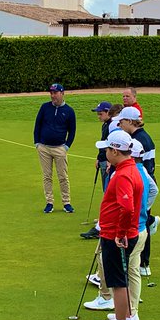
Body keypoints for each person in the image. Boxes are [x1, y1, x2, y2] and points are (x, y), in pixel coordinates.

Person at [92, 130, 144, 320]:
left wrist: (120, 233)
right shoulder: (129, 168)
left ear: (115, 150)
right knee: (120, 278)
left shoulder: (123, 174)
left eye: (106, 148)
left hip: (117, 234)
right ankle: (126, 318)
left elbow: (127, 208)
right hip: (120, 232)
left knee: (117, 281)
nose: (104, 151)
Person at [115, 107, 157, 274]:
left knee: (141, 225)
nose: (120, 124)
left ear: (130, 122)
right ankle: (141, 263)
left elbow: (144, 167)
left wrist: (145, 204)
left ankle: (143, 263)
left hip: (140, 184)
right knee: (142, 224)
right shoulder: (141, 137)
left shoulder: (138, 140)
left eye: (122, 121)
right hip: (143, 183)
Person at [33, 83, 76, 213]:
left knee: (63, 176)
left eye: (55, 93)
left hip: (60, 148)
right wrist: (37, 143)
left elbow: (72, 131)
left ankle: (66, 202)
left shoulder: (69, 111)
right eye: (51, 93)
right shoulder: (45, 107)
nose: (53, 95)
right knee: (47, 176)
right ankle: (49, 202)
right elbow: (37, 125)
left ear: (62, 93)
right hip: (44, 147)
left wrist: (67, 146)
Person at [80, 102, 113, 240]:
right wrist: (98, 158)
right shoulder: (105, 125)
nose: (98, 116)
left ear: (108, 112)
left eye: (100, 113)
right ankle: (103, 220)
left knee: (108, 192)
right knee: (106, 191)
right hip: (103, 160)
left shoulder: (112, 125)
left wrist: (107, 160)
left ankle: (104, 223)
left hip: (108, 161)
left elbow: (110, 145)